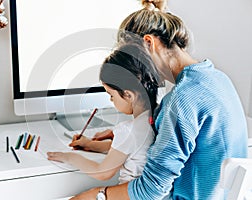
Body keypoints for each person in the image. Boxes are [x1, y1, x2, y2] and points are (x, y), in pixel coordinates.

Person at [69, 0, 248, 199]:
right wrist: (123, 134)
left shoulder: (182, 98)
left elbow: (151, 189)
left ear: (149, 43)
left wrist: (98, 194)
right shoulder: (217, 78)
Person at [47, 42, 161, 185]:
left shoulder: (129, 130)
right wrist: (89, 144)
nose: (110, 100)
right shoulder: (158, 117)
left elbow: (103, 172)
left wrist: (70, 158)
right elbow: (123, 150)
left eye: (111, 95)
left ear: (128, 95)